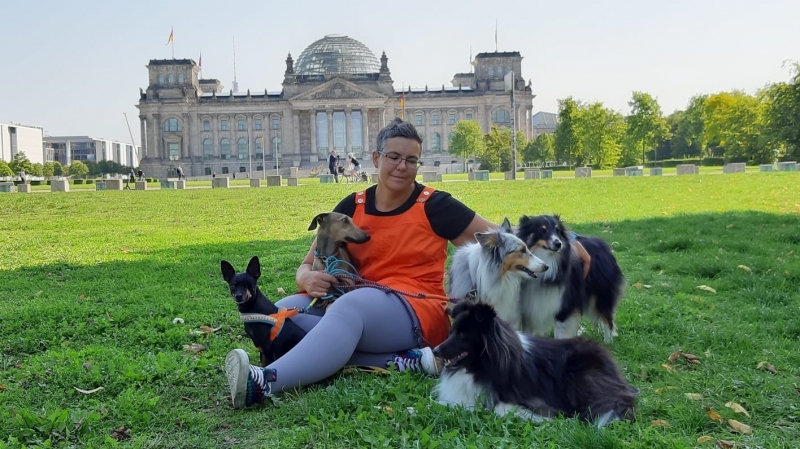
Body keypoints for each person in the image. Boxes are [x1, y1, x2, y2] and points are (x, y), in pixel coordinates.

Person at [224, 118, 593, 409]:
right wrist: (308, 280)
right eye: (394, 157)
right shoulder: (351, 205)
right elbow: (306, 266)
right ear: (375, 159)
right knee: (283, 310)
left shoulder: (434, 204)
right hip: (354, 303)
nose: (402, 167)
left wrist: (566, 240)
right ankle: (405, 361)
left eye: (411, 159)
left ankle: (265, 382)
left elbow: (499, 237)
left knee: (347, 311)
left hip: (418, 308)